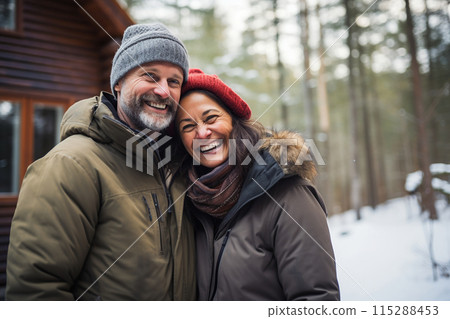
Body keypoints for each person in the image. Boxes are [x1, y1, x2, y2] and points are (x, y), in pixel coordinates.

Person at [6, 23, 196, 300]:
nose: (164, 91)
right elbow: (35, 291)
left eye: (174, 81)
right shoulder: (70, 165)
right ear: (118, 82)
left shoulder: (176, 164)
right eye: (149, 76)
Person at [175, 69, 340, 301]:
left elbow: (316, 299)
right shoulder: (190, 203)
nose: (202, 132)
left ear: (234, 121)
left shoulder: (288, 193)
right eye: (188, 127)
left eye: (211, 118)